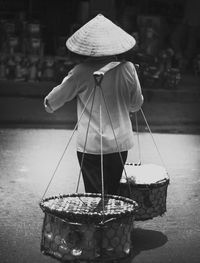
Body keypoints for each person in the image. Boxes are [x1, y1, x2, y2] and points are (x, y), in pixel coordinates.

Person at [44, 14, 143, 195]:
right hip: (119, 145)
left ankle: (97, 223)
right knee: (112, 194)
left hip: (91, 146)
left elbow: (51, 103)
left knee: (94, 196)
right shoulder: (128, 68)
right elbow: (136, 105)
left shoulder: (79, 72)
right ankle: (112, 223)